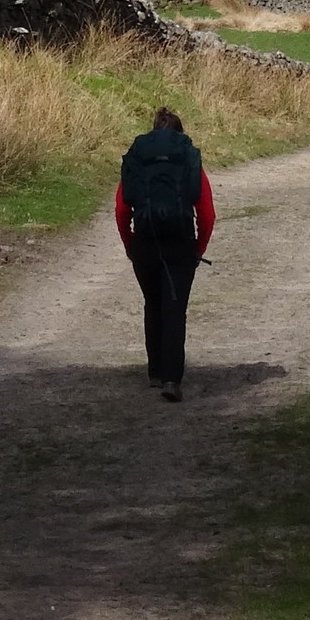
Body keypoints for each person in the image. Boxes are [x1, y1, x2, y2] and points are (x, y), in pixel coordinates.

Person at [114, 107, 214, 400]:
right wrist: (198, 248)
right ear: (180, 134)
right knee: (174, 308)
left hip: (144, 241)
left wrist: (130, 244)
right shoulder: (188, 160)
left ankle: (155, 372)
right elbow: (206, 214)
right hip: (180, 244)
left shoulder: (139, 160)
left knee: (152, 304)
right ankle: (172, 380)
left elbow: (122, 209)